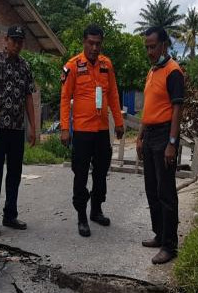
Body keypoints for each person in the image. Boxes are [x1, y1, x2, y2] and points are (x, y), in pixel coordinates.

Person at [60, 24, 124, 237]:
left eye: (98, 44)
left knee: (101, 172)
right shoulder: (73, 65)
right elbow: (64, 98)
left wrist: (119, 121)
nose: (95, 48)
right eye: (91, 43)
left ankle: (96, 209)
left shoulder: (107, 65)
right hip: (82, 131)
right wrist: (64, 128)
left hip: (102, 130)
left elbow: (113, 95)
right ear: (84, 42)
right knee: (80, 174)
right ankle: (81, 216)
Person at [0, 26, 37, 237]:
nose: (17, 44)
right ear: (5, 40)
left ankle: (10, 215)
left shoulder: (25, 66)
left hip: (16, 129)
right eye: (14, 40)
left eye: (20, 41)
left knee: (15, 173)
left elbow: (29, 97)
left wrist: (33, 126)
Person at [136, 26, 185, 264]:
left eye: (152, 47)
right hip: (150, 135)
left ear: (164, 45)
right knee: (152, 190)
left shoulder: (173, 71)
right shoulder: (152, 70)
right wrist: (140, 136)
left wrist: (172, 143)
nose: (149, 51)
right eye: (146, 47)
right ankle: (159, 234)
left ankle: (170, 246)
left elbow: (177, 109)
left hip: (166, 135)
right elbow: (148, 108)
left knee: (166, 193)